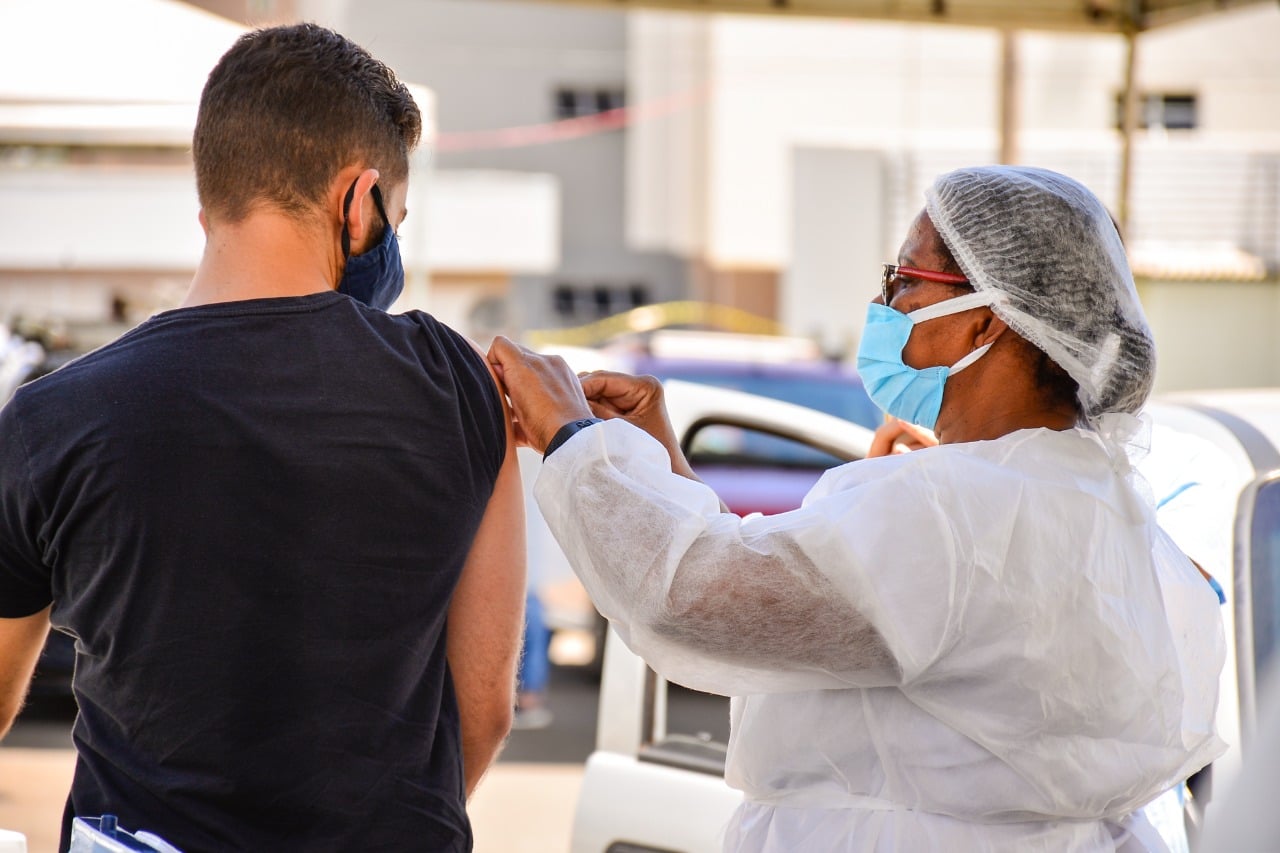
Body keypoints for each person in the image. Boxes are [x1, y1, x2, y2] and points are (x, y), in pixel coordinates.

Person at [488, 165, 1226, 851]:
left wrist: (571, 436)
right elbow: (783, 602)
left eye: (903, 279)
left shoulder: (951, 511)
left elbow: (688, 598)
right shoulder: (1103, 508)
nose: (881, 305)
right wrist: (660, 458)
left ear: (987, 319)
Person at [0, 23, 524, 852]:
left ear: (210, 199)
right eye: (394, 217)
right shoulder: (457, 384)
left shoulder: (52, 417)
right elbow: (485, 709)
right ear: (359, 200)